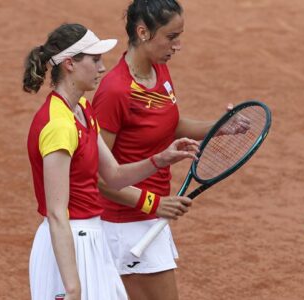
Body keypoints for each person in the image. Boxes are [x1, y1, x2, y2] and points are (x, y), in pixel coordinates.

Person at [23, 23, 199, 300]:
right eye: (94, 60)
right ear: (69, 64)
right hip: (69, 247)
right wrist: (72, 287)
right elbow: (58, 214)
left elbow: (113, 175)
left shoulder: (81, 109)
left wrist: (160, 159)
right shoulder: (58, 125)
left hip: (92, 240)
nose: (102, 68)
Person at [92, 1, 233, 299]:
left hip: (148, 217)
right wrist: (152, 204)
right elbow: (98, 176)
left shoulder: (159, 71)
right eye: (171, 37)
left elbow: (169, 122)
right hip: (125, 222)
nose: (177, 45)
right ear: (143, 32)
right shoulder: (116, 91)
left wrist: (220, 126)